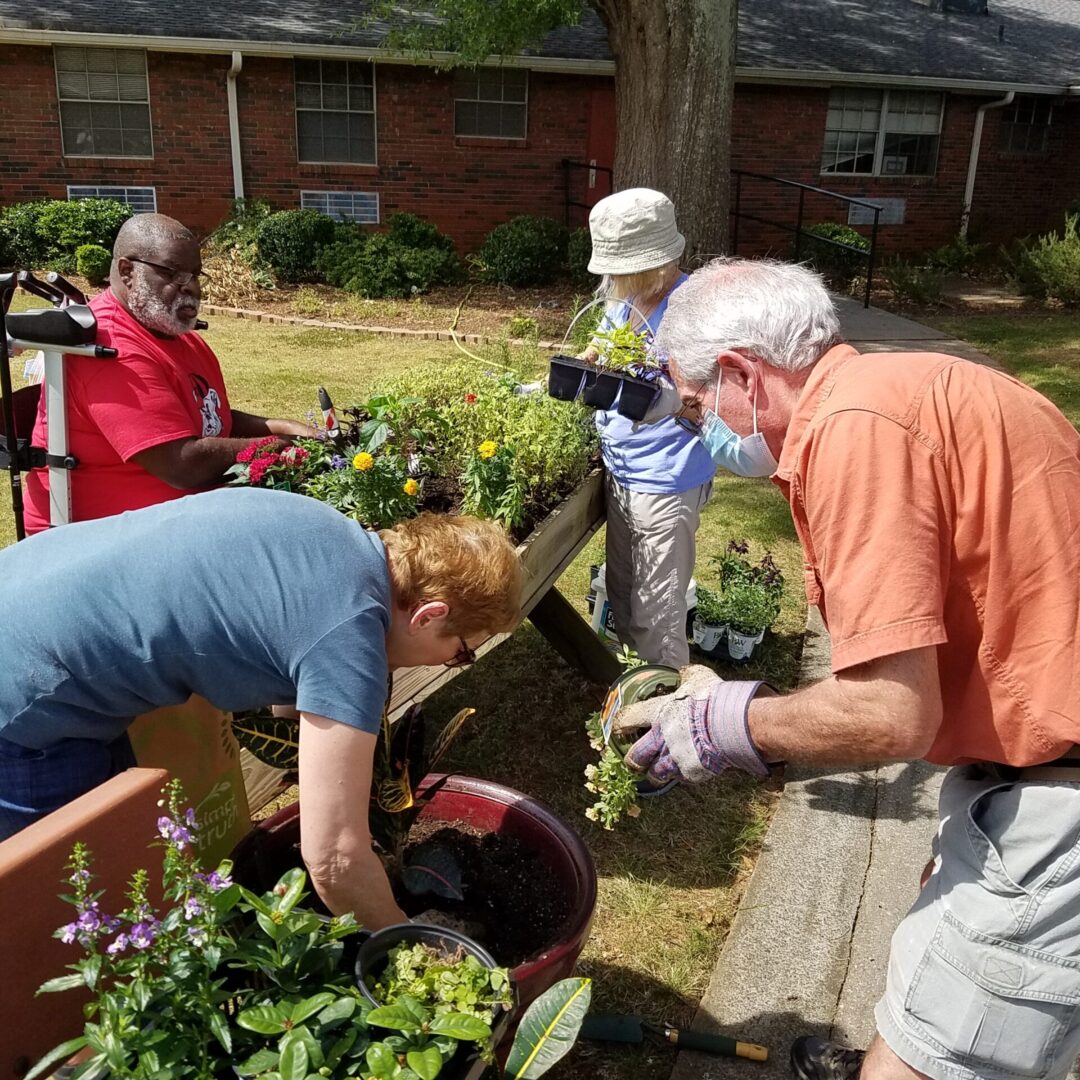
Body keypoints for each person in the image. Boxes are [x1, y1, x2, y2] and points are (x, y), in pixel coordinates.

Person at [617, 257, 1080, 1080]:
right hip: (1032, 750)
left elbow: (891, 715)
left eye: (695, 408)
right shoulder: (918, 383)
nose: (701, 432)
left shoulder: (855, 432)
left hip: (1059, 799)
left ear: (742, 376)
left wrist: (725, 723)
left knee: (932, 1059)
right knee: (935, 948)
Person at [0, 488, 522, 931]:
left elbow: (276, 661)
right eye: (461, 654)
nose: (453, 664)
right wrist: (404, 941)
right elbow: (333, 859)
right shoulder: (349, 636)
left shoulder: (332, 534)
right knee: (67, 912)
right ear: (429, 615)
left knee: (119, 859)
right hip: (26, 702)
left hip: (23, 590)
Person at [22, 214, 315, 533]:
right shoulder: (109, 347)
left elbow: (204, 415)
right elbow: (182, 464)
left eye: (194, 275)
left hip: (170, 521)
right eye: (171, 273)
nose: (190, 287)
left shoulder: (177, 336)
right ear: (127, 271)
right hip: (102, 542)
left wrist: (286, 428)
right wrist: (279, 445)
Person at [583, 188, 715, 667]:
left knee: (659, 608)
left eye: (623, 267)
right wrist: (590, 361)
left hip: (666, 477)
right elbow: (604, 341)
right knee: (623, 587)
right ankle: (639, 680)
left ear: (654, 262)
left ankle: (666, 706)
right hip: (623, 469)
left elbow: (707, 395)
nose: (615, 279)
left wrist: (663, 393)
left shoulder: (693, 310)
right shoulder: (627, 299)